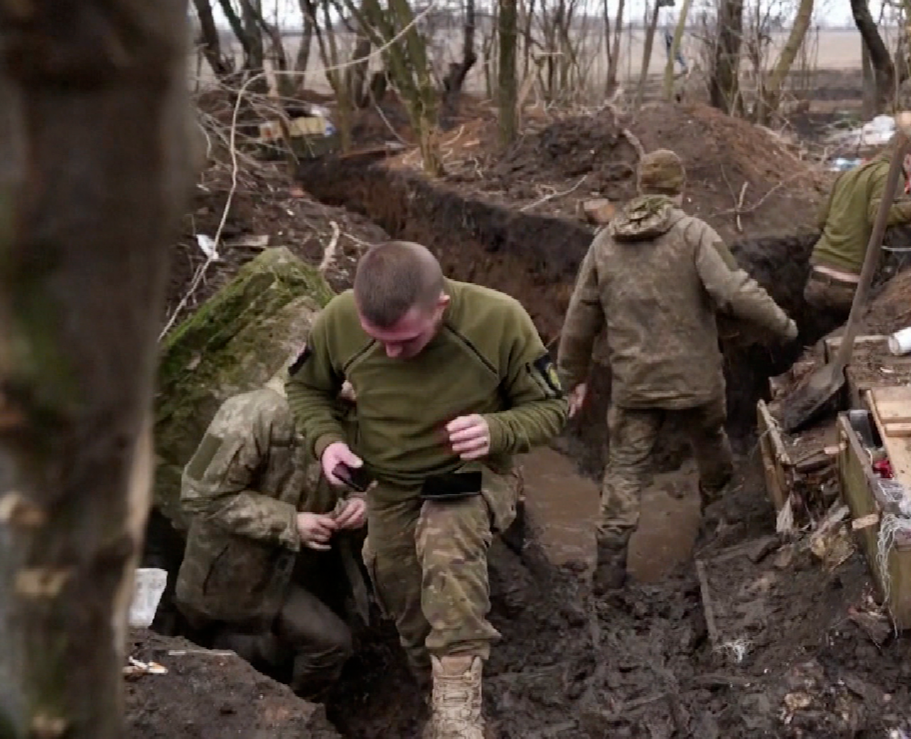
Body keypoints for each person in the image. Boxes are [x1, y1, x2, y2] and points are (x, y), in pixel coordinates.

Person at [285, 241, 568, 738]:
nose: (393, 353)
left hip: (472, 475)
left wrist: (496, 429)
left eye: (407, 341)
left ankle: (459, 714)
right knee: (397, 584)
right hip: (389, 486)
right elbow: (306, 389)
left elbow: (552, 409)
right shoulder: (337, 321)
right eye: (381, 340)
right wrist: (327, 443)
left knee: (444, 538)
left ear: (440, 306)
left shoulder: (498, 320)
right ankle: (430, 690)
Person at [556, 149, 798, 595]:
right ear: (679, 189)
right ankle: (716, 533)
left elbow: (579, 317)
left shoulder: (605, 242)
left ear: (640, 188)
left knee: (625, 469)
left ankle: (608, 576)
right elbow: (733, 290)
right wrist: (781, 325)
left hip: (634, 385)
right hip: (697, 382)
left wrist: (570, 376)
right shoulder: (693, 234)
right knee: (711, 446)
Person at [175, 366, 363, 703]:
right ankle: (292, 716)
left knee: (313, 646)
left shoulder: (354, 418)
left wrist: (362, 501)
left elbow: (370, 476)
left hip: (296, 574)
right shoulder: (253, 411)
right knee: (324, 645)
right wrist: (290, 523)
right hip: (234, 578)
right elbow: (199, 493)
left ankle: (293, 707)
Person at [806, 118, 911, 326]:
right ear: (909, 157)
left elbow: (821, 220)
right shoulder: (891, 174)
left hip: (816, 282)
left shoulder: (850, 174)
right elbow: (878, 215)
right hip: (847, 289)